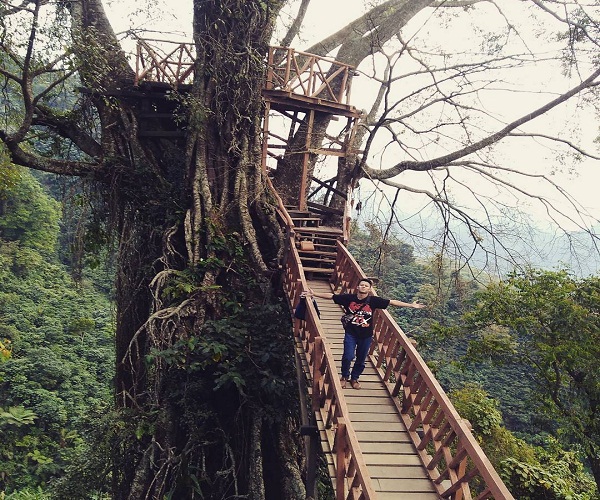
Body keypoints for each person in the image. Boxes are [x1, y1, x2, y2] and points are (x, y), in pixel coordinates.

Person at [305, 278, 425, 390]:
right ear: (358, 287)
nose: (363, 287)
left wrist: (411, 305)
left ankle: (355, 378)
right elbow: (332, 296)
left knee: (361, 358)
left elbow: (392, 302)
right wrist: (314, 294)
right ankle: (344, 376)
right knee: (348, 356)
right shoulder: (349, 298)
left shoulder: (373, 301)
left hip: (366, 335)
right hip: (351, 333)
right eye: (361, 285)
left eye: (366, 286)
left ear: (369, 289)